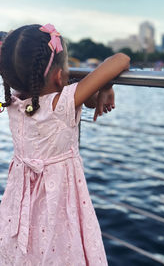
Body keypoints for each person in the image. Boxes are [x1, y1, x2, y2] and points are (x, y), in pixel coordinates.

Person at [0, 24, 130, 265]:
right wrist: (107, 84)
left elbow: (87, 101)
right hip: (58, 201)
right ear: (60, 76)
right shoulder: (63, 103)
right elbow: (121, 59)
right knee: (60, 249)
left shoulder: (15, 103)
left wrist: (102, 87)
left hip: (20, 200)